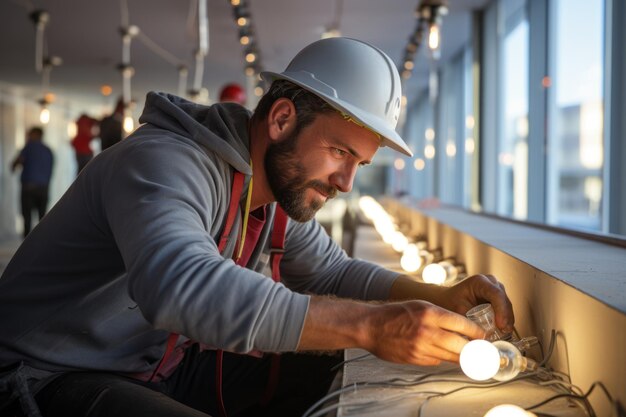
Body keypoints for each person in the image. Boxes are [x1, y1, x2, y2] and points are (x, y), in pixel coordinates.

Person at [0, 38, 514, 417]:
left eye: (358, 162)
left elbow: (331, 272)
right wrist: (373, 326)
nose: (345, 182)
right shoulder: (163, 163)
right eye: (339, 152)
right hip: (46, 377)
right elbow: (179, 287)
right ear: (283, 119)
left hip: (153, 364)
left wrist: (436, 296)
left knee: (346, 376)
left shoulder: (270, 191)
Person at [10, 126, 53, 238]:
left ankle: (26, 248)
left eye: (29, 134)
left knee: (27, 218)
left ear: (35, 135)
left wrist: (14, 166)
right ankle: (43, 245)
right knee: (42, 219)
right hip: (43, 189)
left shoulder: (28, 147)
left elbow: (15, 165)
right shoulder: (48, 150)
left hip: (28, 188)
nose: (28, 136)